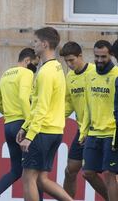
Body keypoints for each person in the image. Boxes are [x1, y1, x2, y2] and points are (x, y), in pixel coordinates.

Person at [16, 27, 73, 201]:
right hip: (54, 131)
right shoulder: (56, 67)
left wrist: (30, 135)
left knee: (28, 178)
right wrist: (25, 126)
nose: (32, 45)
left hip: (43, 132)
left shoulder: (46, 72)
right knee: (41, 179)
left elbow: (41, 107)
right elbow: (39, 105)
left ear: (44, 44)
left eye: (35, 41)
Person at [0, 48, 39, 201]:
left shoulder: (6, 74)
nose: (35, 69)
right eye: (35, 65)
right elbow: (22, 97)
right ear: (27, 61)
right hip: (22, 125)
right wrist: (29, 122)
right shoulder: (26, 73)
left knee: (16, 170)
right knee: (34, 172)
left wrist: (8, 113)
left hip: (8, 126)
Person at [60, 41, 108, 200]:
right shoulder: (69, 77)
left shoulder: (95, 72)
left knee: (93, 173)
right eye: (66, 61)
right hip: (82, 130)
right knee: (70, 171)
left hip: (97, 130)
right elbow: (68, 103)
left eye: (71, 60)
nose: (69, 64)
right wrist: (57, 116)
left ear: (81, 56)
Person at [79, 40, 118, 201]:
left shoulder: (116, 74)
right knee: (88, 173)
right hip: (94, 132)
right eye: (97, 56)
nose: (100, 60)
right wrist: (84, 131)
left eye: (104, 56)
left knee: (109, 175)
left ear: (111, 56)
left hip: (111, 133)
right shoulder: (90, 75)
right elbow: (87, 106)